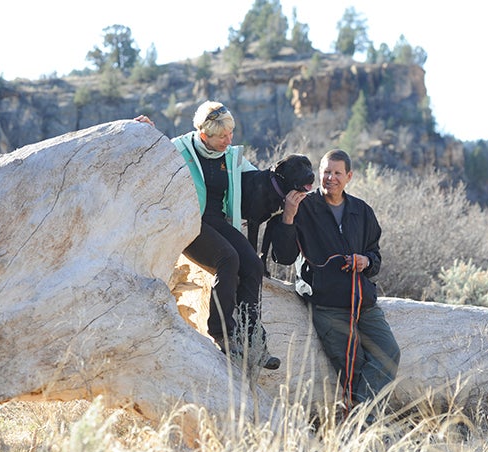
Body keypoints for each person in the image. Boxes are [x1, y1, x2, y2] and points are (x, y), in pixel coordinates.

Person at [135, 101, 280, 370]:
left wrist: (285, 183)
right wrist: (148, 132)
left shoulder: (231, 155)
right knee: (228, 259)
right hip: (188, 222)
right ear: (205, 135)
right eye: (223, 136)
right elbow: (152, 153)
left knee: (253, 265)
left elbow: (259, 180)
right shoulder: (179, 149)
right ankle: (223, 335)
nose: (229, 140)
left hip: (216, 221)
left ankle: (253, 340)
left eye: (231, 133)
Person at [269, 148, 400, 412]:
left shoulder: (362, 211)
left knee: (389, 354)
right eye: (326, 172)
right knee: (353, 367)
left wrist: (366, 261)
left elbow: (375, 256)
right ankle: (362, 430)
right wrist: (288, 216)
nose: (331, 178)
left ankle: (357, 425)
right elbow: (283, 257)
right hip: (327, 304)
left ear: (349, 176)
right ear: (319, 173)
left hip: (364, 300)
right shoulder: (303, 207)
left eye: (337, 173)